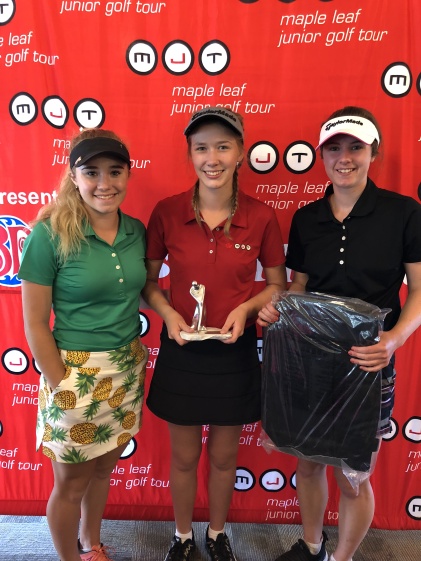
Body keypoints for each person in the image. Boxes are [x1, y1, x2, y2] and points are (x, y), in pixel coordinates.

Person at [258, 106, 421, 561]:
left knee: (354, 477)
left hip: (368, 362)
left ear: (374, 153)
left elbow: (419, 290)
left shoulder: (404, 213)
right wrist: (278, 310)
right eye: (334, 148)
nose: (344, 158)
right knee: (308, 464)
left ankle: (342, 558)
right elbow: (299, 288)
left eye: (355, 147)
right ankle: (312, 546)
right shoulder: (307, 217)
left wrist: (393, 340)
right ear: (321, 155)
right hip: (308, 360)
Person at [142, 106, 287, 561]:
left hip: (235, 351)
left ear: (241, 152)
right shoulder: (167, 212)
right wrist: (168, 313)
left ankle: (218, 534)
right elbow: (148, 282)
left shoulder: (261, 216)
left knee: (224, 458)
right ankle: (183, 536)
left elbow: (277, 284)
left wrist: (246, 309)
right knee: (184, 458)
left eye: (223, 147)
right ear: (190, 154)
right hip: (182, 349)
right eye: (201, 148)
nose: (212, 158)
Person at [19, 129, 149, 561]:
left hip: (126, 369)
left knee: (104, 468)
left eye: (115, 171)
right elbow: (35, 322)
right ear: (74, 176)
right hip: (75, 373)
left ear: (128, 175)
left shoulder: (135, 231)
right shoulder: (49, 234)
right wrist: (60, 382)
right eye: (91, 172)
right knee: (71, 483)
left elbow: (138, 291)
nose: (104, 183)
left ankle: (91, 544)